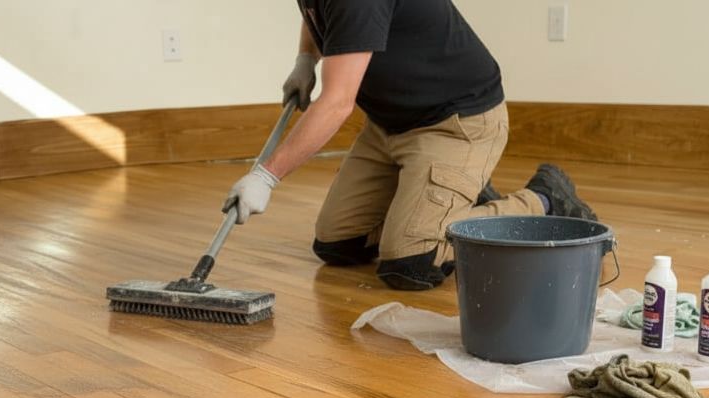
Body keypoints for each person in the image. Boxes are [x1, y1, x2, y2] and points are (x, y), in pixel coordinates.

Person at [223, 0, 598, 291]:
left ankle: (544, 199)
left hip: (455, 124)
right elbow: (317, 12)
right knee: (337, 244)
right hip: (388, 125)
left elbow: (337, 103)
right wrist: (306, 59)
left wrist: (267, 176)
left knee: (413, 259)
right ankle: (447, 197)